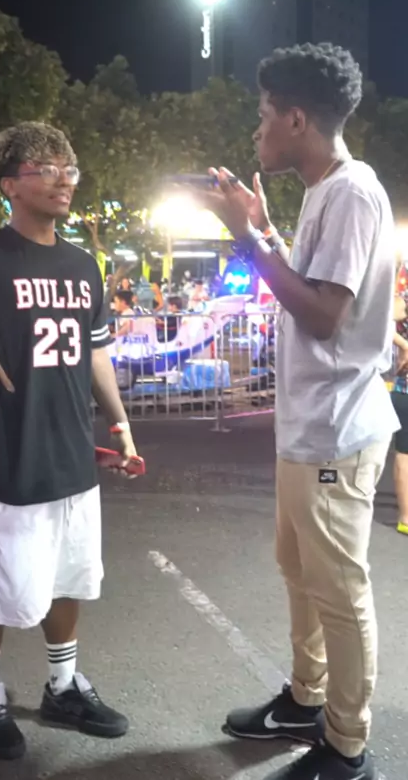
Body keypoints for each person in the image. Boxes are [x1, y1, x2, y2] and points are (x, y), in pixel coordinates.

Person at [188, 44, 398, 780]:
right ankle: (307, 700)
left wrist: (245, 237)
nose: (257, 130)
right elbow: (309, 283)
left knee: (338, 591)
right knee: (299, 571)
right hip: (310, 427)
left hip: (338, 430)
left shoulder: (352, 193)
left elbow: (323, 315)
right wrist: (267, 230)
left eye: (263, 115)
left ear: (297, 119)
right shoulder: (324, 192)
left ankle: (346, 743)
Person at [0, 122, 139, 762]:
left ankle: (63, 684)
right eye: (47, 169)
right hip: (11, 449)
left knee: (71, 576)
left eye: (68, 168)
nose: (63, 179)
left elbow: (96, 352)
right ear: (9, 185)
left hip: (72, 450)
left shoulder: (82, 264)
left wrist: (121, 424)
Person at [390, 286, 408, 534]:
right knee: (404, 453)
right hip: (406, 391)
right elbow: (380, 321)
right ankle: (405, 516)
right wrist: (405, 345)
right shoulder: (403, 301)